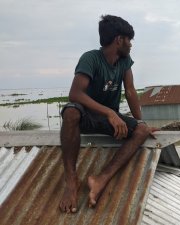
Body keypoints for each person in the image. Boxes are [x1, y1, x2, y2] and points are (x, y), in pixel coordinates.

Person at [59, 15, 158, 213]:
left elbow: (130, 91)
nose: (130, 44)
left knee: (142, 130)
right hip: (86, 116)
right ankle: (71, 182)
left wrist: (140, 122)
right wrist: (109, 112)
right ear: (118, 40)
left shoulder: (124, 61)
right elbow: (75, 94)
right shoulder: (91, 58)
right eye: (128, 40)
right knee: (70, 112)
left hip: (107, 119)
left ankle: (100, 179)